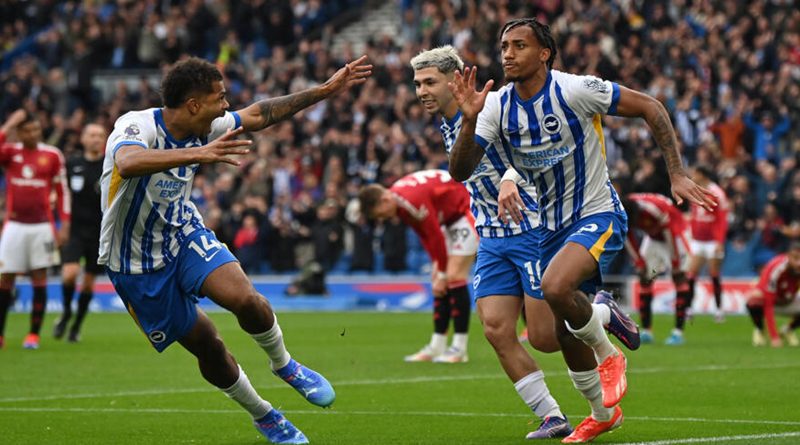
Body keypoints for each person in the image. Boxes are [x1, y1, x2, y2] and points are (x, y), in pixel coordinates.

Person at [447, 18, 715, 443]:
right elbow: (460, 170)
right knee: (558, 333)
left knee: (555, 288)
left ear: (544, 54)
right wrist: (467, 120)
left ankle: (609, 356)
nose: (508, 54)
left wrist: (676, 173)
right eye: (504, 46)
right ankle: (601, 410)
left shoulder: (575, 89)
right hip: (549, 226)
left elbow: (650, 106)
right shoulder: (495, 106)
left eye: (519, 45)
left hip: (598, 211)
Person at [99, 56, 371, 444]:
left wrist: (324, 91)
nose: (226, 105)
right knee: (208, 345)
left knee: (247, 299)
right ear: (194, 104)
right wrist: (198, 154)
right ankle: (264, 414)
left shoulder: (207, 125)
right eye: (220, 98)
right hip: (135, 264)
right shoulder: (137, 125)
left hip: (182, 234)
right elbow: (127, 162)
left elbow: (260, 114)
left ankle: (285, 365)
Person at [409, 45, 572, 439]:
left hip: (532, 226)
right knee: (497, 329)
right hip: (493, 236)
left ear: (455, 80)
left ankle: (598, 312)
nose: (421, 91)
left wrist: (511, 177)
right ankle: (552, 415)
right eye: (417, 84)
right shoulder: (451, 123)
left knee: (546, 339)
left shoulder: (495, 105)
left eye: (429, 82)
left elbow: (536, 146)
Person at [359, 169, 475, 364]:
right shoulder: (399, 199)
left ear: (384, 201)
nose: (383, 218)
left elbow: (434, 234)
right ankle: (437, 345)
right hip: (448, 221)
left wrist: (443, 273)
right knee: (438, 280)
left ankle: (459, 348)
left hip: (465, 213)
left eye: (380, 214)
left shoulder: (409, 201)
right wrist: (437, 267)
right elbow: (424, 234)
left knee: (454, 277)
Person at [0, 109, 70, 350]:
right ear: (19, 133)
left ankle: (33, 335)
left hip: (42, 226)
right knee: (5, 277)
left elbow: (62, 192)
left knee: (39, 277)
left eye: (36, 129)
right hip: (14, 225)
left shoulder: (52, 155)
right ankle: (0, 335)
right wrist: (10, 122)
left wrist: (65, 223)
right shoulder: (10, 153)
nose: (33, 134)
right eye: (27, 130)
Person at [53, 123, 107, 342]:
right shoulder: (72, 164)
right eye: (92, 135)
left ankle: (76, 326)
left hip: (99, 232)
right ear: (83, 139)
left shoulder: (109, 166)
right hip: (74, 230)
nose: (96, 139)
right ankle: (66, 312)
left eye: (100, 135)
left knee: (88, 283)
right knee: (69, 274)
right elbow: (60, 194)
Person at [622, 193, 692, 345]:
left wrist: (675, 263)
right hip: (653, 239)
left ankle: (678, 333)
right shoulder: (621, 210)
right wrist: (639, 263)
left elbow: (670, 233)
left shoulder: (652, 210)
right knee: (645, 279)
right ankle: (647, 331)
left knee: (679, 278)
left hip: (676, 235)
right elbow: (626, 235)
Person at [685, 166, 729, 322]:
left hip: (712, 241)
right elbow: (694, 213)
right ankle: (689, 309)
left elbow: (722, 218)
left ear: (702, 174)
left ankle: (718, 310)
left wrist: (719, 241)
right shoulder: (694, 189)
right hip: (698, 240)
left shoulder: (716, 192)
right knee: (691, 274)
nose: (692, 175)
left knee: (714, 274)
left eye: (695, 173)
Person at [746, 241, 800, 348]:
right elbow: (768, 304)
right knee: (753, 301)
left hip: (788, 301)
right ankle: (760, 330)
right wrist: (774, 337)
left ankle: (787, 330)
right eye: (796, 258)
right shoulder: (776, 268)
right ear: (788, 256)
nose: (799, 263)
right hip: (768, 302)